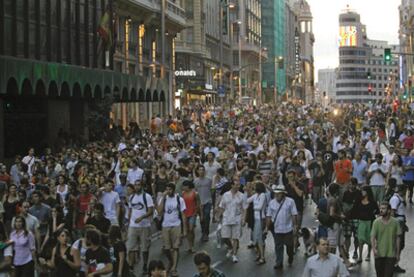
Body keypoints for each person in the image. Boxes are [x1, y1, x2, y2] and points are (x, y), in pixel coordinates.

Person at [265, 184, 298, 270]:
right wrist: (266, 227)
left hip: (288, 229)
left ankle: (290, 256)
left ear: (283, 194)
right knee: (278, 246)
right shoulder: (271, 203)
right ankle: (279, 262)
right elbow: (268, 216)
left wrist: (295, 226)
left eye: (279, 193)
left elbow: (294, 214)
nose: (277, 195)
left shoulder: (290, 201)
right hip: (277, 229)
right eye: (276, 193)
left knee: (289, 246)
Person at [157, 183, 186, 277]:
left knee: (176, 247)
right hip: (166, 225)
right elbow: (159, 211)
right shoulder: (164, 198)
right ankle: (171, 261)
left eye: (169, 189)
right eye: (167, 189)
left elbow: (183, 215)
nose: (168, 191)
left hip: (176, 225)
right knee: (166, 249)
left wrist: (184, 230)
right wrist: (163, 198)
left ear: (173, 190)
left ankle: (174, 268)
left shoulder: (179, 199)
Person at [126, 179, 154, 274]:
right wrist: (128, 222)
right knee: (130, 247)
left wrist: (142, 217)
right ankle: (130, 266)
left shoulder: (147, 197)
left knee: (145, 248)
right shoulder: (131, 197)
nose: (137, 187)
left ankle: (145, 265)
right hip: (133, 225)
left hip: (144, 225)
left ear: (142, 186)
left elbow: (150, 211)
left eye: (139, 185)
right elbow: (130, 210)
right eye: (136, 185)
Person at [218, 174, 246, 263]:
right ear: (232, 185)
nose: (238, 186)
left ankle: (234, 255)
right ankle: (230, 248)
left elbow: (244, 208)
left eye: (239, 185)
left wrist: (243, 219)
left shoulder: (242, 196)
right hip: (226, 218)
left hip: (237, 218)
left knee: (235, 237)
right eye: (236, 185)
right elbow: (222, 206)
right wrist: (218, 216)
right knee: (225, 236)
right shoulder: (226, 195)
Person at [371, 202, 401, 277]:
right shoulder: (376, 222)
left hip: (391, 254)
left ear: (389, 210)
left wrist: (397, 254)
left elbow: (398, 238)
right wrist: (374, 249)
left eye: (383, 208)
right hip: (379, 254)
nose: (381, 210)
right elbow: (372, 237)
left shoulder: (395, 222)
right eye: (380, 208)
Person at [246, 182, 267, 265]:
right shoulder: (255, 195)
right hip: (255, 219)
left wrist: (254, 207)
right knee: (256, 238)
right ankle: (259, 254)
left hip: (261, 219)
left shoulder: (262, 195)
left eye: (254, 187)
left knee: (259, 238)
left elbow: (260, 207)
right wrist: (246, 191)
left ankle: (262, 257)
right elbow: (247, 200)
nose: (253, 188)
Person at [389, 185, 407, 273]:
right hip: (398, 223)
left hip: (401, 222)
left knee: (400, 245)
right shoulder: (395, 199)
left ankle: (395, 263)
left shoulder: (399, 198)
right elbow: (393, 212)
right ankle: (394, 264)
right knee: (397, 244)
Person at [193, 165, 212, 242]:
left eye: (203, 170)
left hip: (207, 201)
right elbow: (194, 192)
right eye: (200, 170)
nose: (201, 171)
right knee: (201, 218)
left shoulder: (209, 180)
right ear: (197, 171)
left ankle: (206, 234)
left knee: (207, 216)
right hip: (199, 202)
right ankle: (203, 232)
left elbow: (212, 190)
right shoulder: (195, 181)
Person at [182, 180, 201, 253]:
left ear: (188, 186)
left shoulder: (195, 194)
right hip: (185, 214)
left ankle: (192, 245)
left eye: (184, 186)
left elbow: (198, 203)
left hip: (192, 214)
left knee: (191, 229)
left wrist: (197, 212)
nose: (183, 187)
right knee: (187, 230)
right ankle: (190, 245)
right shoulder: (183, 193)